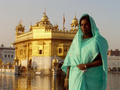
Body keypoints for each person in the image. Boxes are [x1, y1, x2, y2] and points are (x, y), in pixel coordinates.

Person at [61, 14, 108, 90]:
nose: (83, 27)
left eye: (86, 25)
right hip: (75, 77)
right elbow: (70, 61)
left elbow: (101, 60)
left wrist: (86, 65)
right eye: (82, 25)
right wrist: (67, 78)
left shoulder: (97, 40)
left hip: (92, 78)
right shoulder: (77, 41)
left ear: (91, 25)